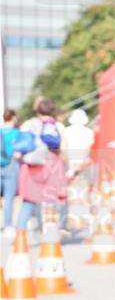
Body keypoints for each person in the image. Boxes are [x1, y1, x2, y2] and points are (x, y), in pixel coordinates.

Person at [16, 98, 68, 233]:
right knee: (50, 198)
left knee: (29, 199)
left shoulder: (28, 124)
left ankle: (20, 234)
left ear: (37, 109)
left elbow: (21, 143)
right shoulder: (57, 126)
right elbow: (62, 148)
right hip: (52, 164)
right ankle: (50, 233)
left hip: (32, 164)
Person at [1, 109, 21, 237]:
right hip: (11, 165)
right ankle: (8, 226)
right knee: (9, 198)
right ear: (13, 118)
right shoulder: (17, 133)